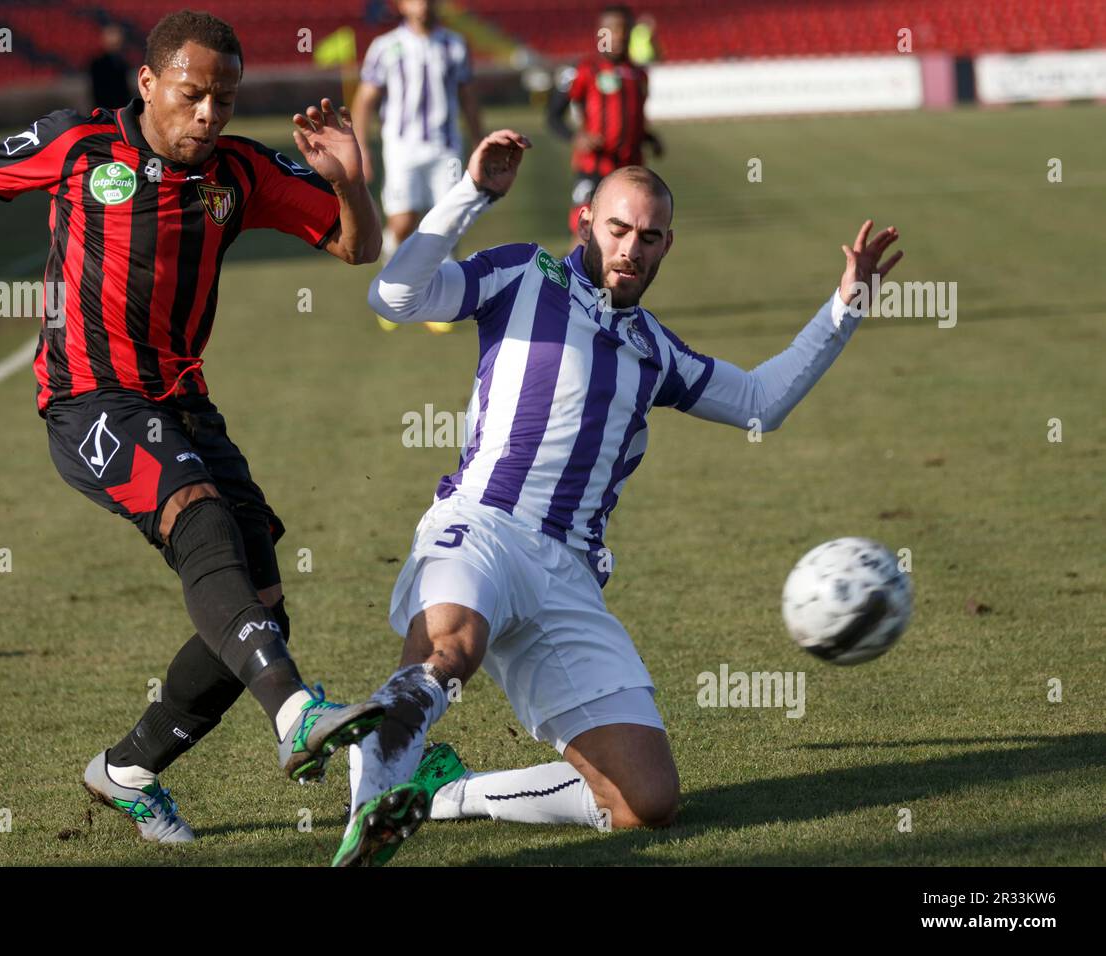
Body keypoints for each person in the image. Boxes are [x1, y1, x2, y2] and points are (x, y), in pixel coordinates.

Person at [0, 10, 385, 843]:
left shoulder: (243, 170)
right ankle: (296, 711)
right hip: (89, 401)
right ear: (147, 84)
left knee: (260, 607)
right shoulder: (80, 146)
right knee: (198, 513)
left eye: (224, 99)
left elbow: (353, 248)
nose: (209, 115)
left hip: (183, 401)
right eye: (193, 96)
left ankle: (128, 769)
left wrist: (352, 184)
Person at [335, 128, 903, 865]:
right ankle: (369, 806)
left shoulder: (658, 352)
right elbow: (395, 293)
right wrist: (472, 194)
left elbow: (763, 401)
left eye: (650, 236)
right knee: (451, 648)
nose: (632, 248)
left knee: (645, 802)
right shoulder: (521, 275)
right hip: (483, 527)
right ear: (586, 224)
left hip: (568, 576)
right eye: (618, 228)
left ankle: (446, 791)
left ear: (667, 246)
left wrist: (844, 307)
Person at [351, 0, 481, 333]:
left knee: (450, 222)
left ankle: (436, 304)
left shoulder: (454, 45)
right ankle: (390, 282)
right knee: (403, 220)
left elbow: (467, 96)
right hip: (402, 148)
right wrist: (362, 147)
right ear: (401, 5)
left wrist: (480, 140)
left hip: (445, 147)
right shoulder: (386, 47)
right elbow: (365, 99)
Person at [547, 4, 663, 244]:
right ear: (601, 33)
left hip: (631, 170)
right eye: (611, 30)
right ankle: (570, 280)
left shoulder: (639, 74)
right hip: (594, 168)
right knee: (584, 233)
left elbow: (634, 122)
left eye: (623, 29)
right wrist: (576, 137)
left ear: (631, 32)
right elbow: (553, 116)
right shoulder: (584, 70)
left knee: (626, 237)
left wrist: (649, 138)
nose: (618, 35)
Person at [90, 23, 133, 111]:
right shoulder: (97, 63)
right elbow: (97, 92)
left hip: (121, 109)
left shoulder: (123, 62)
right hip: (105, 110)